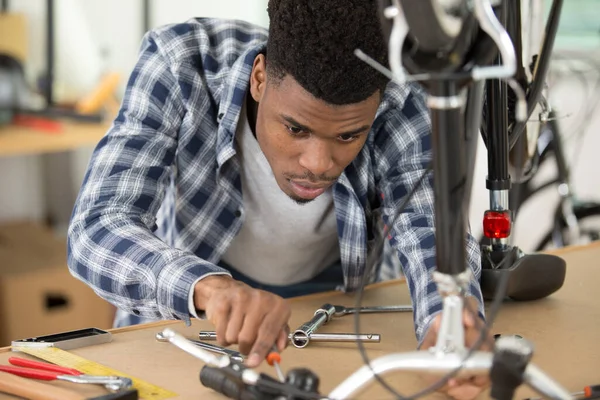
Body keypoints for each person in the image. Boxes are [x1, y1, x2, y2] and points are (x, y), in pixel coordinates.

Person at [67, 0, 486, 398]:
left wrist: (450, 322)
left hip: (338, 311)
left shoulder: (401, 98)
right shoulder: (180, 62)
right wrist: (210, 289)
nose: (318, 163)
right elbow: (97, 226)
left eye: (347, 135)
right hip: (193, 314)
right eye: (296, 128)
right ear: (259, 78)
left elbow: (429, 227)